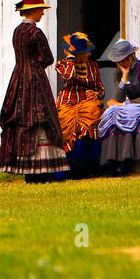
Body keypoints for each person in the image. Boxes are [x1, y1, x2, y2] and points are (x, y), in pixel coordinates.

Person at [0, 0, 69, 182]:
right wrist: (38, 61)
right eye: (41, 10)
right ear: (34, 10)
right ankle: (43, 170)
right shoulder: (36, 33)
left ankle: (28, 170)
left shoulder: (17, 32)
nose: (43, 14)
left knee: (22, 118)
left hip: (19, 79)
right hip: (36, 79)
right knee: (40, 118)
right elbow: (48, 58)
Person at [98, 39, 140, 175]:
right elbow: (119, 98)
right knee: (112, 112)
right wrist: (124, 76)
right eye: (118, 61)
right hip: (130, 106)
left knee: (128, 111)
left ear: (131, 56)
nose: (120, 63)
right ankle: (111, 160)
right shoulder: (118, 72)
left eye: (123, 59)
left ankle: (126, 160)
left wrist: (122, 104)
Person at [55, 32, 105, 177]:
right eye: (85, 52)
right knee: (66, 126)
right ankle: (68, 169)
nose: (89, 55)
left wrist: (95, 94)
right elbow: (69, 77)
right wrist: (70, 58)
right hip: (67, 103)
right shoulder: (63, 65)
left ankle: (86, 166)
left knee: (92, 116)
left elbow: (101, 89)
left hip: (87, 102)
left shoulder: (93, 66)